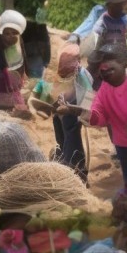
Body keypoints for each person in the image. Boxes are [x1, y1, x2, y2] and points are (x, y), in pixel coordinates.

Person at [58, 43, 127, 199]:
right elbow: (98, 116)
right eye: (103, 70)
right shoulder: (105, 88)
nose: (106, 72)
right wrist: (75, 110)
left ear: (126, 64)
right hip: (122, 143)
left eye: (111, 69)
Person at [32, 43, 93, 182]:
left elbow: (89, 97)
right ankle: (62, 157)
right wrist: (44, 103)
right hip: (58, 108)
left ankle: (74, 166)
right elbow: (45, 87)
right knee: (60, 134)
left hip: (73, 110)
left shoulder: (81, 74)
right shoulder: (54, 72)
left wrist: (82, 113)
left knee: (71, 135)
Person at [0, 10, 30, 114]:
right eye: (7, 33)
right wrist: (9, 77)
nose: (11, 36)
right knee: (8, 105)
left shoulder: (19, 41)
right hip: (1, 83)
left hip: (16, 82)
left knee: (19, 104)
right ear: (2, 33)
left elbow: (24, 58)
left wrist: (24, 75)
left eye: (14, 33)